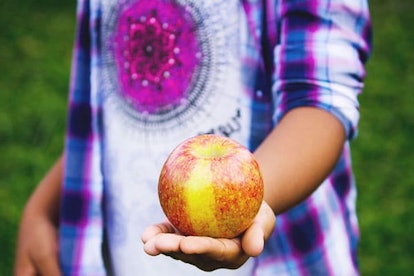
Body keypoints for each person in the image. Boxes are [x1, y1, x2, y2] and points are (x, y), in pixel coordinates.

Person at [14, 0, 372, 275]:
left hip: (275, 252)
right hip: (126, 252)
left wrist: (250, 205)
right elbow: (113, 110)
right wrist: (43, 205)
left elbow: (319, 100)